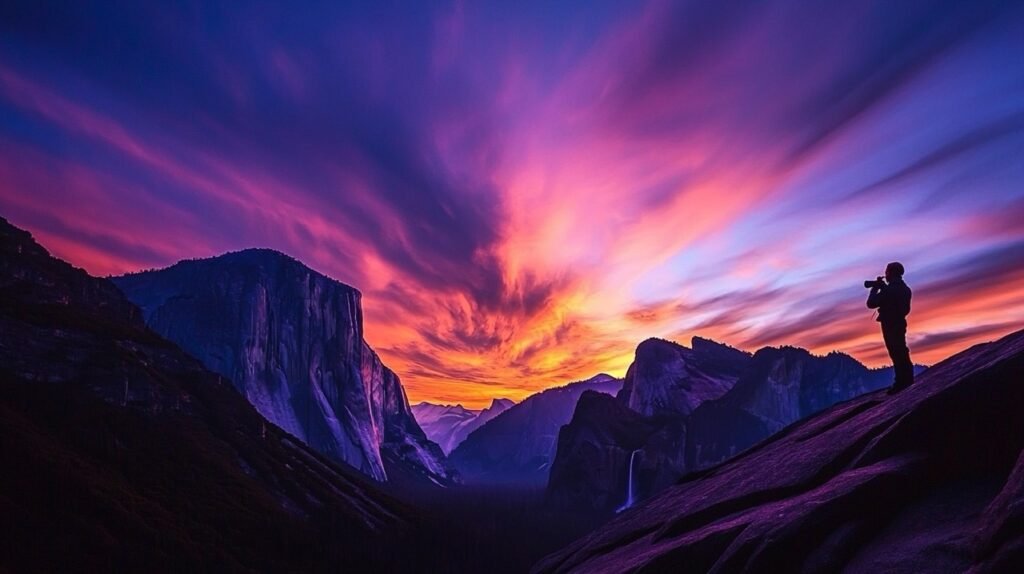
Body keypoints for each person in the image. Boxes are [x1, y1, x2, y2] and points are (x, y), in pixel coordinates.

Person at [866, 262, 914, 394]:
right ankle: (907, 379)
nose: (885, 274)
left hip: (889, 323)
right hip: (900, 322)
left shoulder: (890, 289)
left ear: (891, 273)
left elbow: (871, 303)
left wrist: (875, 289)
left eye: (887, 272)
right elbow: (905, 308)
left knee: (895, 352)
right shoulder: (905, 289)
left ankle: (900, 383)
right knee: (902, 350)